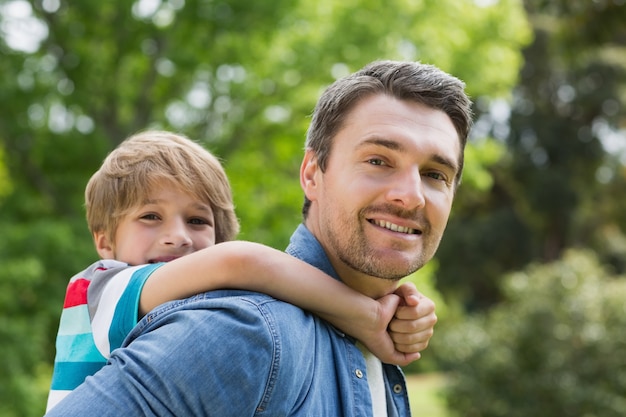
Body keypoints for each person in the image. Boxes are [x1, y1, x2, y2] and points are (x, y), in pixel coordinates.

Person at [45, 60, 472, 416]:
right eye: (378, 160)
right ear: (311, 174)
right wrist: (366, 314)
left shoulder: (371, 346)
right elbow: (242, 262)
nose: (411, 195)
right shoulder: (247, 331)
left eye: (436, 174)